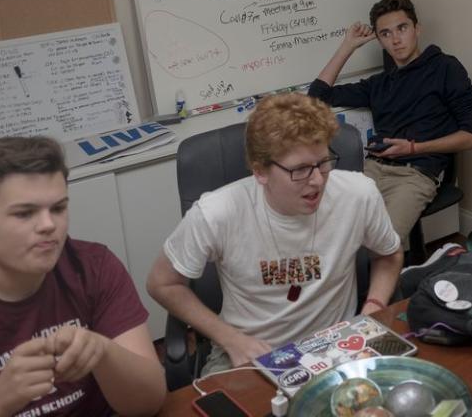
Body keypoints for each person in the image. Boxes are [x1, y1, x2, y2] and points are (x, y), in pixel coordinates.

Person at [147, 93, 403, 374]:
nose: (317, 180)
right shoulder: (217, 212)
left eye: (323, 162)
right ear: (260, 172)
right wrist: (230, 339)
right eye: (301, 169)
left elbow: (389, 254)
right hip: (248, 353)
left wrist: (373, 308)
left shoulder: (358, 194)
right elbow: (162, 283)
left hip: (334, 346)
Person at [0, 136, 165, 417]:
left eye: (58, 208)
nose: (48, 225)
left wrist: (103, 352)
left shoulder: (94, 267)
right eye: (24, 213)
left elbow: (150, 403)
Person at [308, 0, 472, 248]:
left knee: (382, 245)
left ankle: (387, 285)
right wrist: (347, 46)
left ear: (417, 29)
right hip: (372, 170)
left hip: (415, 175)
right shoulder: (380, 83)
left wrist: (413, 148)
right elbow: (317, 97)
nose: (396, 40)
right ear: (379, 40)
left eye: (402, 28)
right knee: (326, 231)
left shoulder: (445, 68)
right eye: (386, 34)